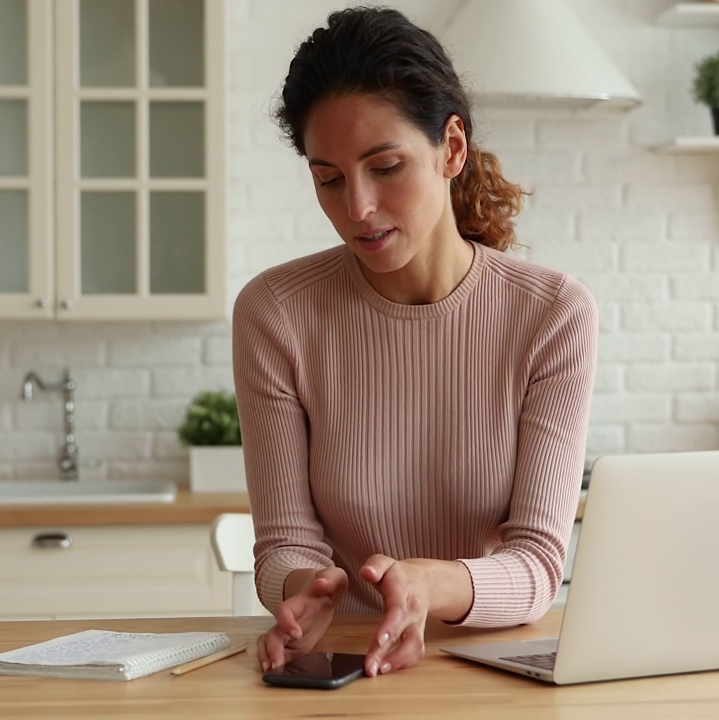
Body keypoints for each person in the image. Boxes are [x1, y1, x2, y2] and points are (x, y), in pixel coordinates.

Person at [232, 6, 597, 679]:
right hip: (343, 671)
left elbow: (540, 565)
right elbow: (282, 545)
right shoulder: (276, 312)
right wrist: (308, 591)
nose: (358, 208)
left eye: (386, 166)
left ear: (451, 148)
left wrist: (428, 585)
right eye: (329, 179)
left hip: (486, 674)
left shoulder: (550, 314)